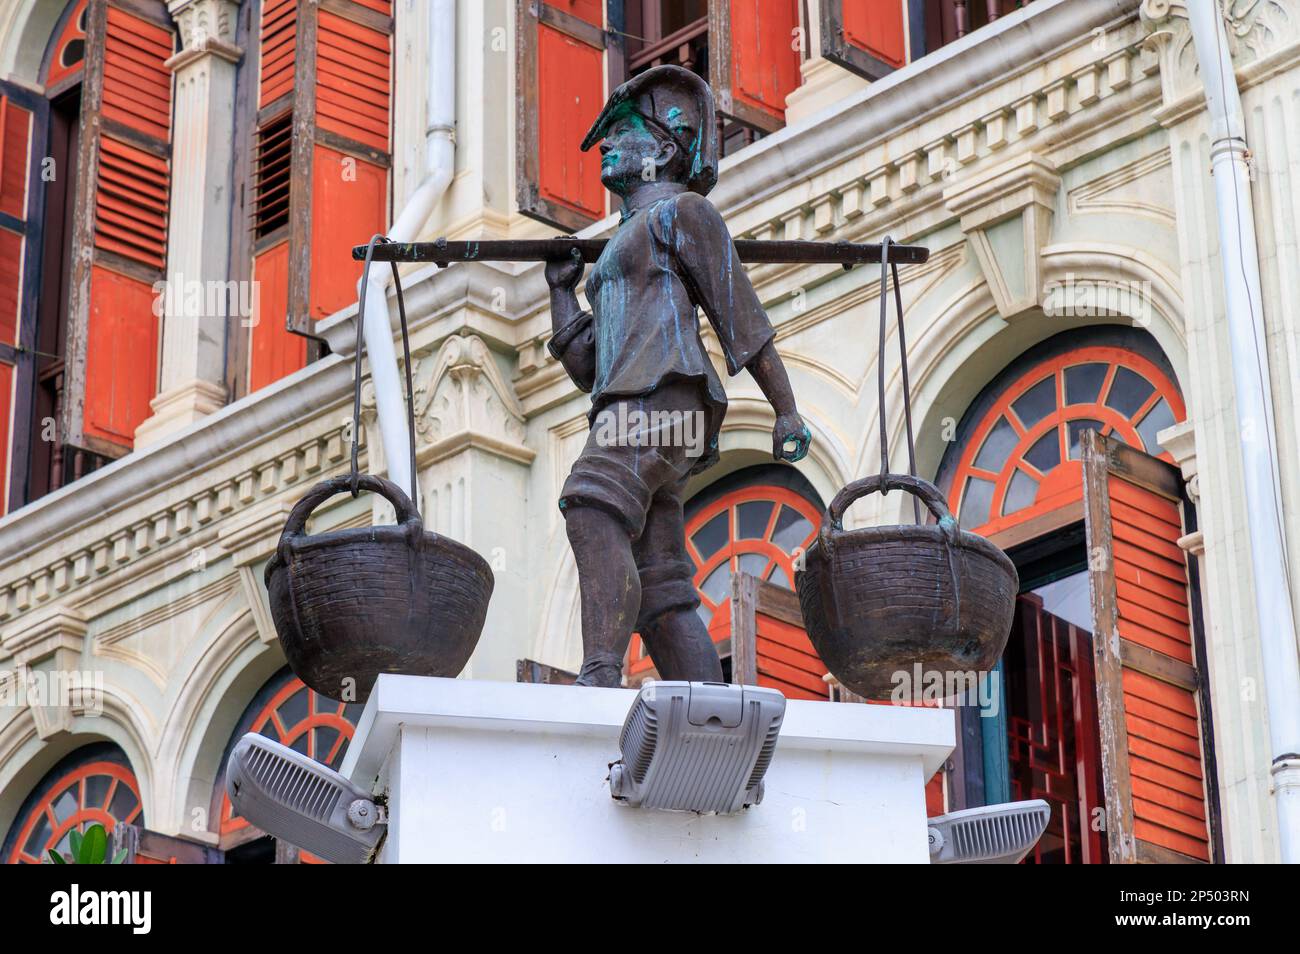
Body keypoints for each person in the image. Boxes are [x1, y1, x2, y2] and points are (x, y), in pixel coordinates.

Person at [545, 65, 811, 687]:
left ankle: (601, 674)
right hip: (639, 409)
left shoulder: (683, 214)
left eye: (620, 132)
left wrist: (786, 408)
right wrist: (563, 294)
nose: (605, 147)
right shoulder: (614, 254)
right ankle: (709, 705)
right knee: (660, 579)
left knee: (590, 507)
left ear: (663, 149)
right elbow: (591, 368)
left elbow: (739, 316)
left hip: (659, 401)